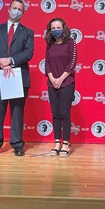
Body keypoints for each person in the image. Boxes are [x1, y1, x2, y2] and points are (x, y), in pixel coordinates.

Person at [0, 0, 34, 156]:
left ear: (23, 13)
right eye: (14, 8)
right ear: (8, 9)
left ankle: (17, 144)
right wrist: (2, 62)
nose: (16, 11)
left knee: (17, 113)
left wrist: (11, 61)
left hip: (17, 76)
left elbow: (28, 53)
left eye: (20, 9)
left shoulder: (28, 32)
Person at [44, 17, 77, 157]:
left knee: (64, 113)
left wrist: (60, 79)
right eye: (53, 28)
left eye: (58, 27)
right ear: (50, 30)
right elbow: (47, 64)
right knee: (55, 114)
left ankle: (66, 143)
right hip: (52, 84)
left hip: (66, 82)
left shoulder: (71, 43)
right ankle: (57, 142)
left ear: (63, 28)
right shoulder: (50, 44)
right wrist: (52, 79)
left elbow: (72, 62)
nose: (56, 30)